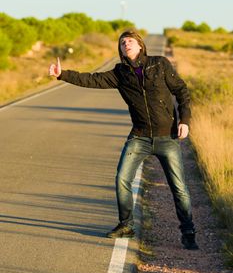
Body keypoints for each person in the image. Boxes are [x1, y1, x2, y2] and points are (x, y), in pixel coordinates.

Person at [49, 29, 198, 250]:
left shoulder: (160, 64)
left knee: (179, 187)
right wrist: (63, 74)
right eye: (122, 43)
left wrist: (184, 120)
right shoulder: (120, 73)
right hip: (139, 136)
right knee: (122, 179)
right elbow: (92, 79)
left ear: (140, 45)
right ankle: (126, 225)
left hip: (167, 137)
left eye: (129, 41)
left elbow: (182, 91)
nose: (125, 44)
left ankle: (188, 232)